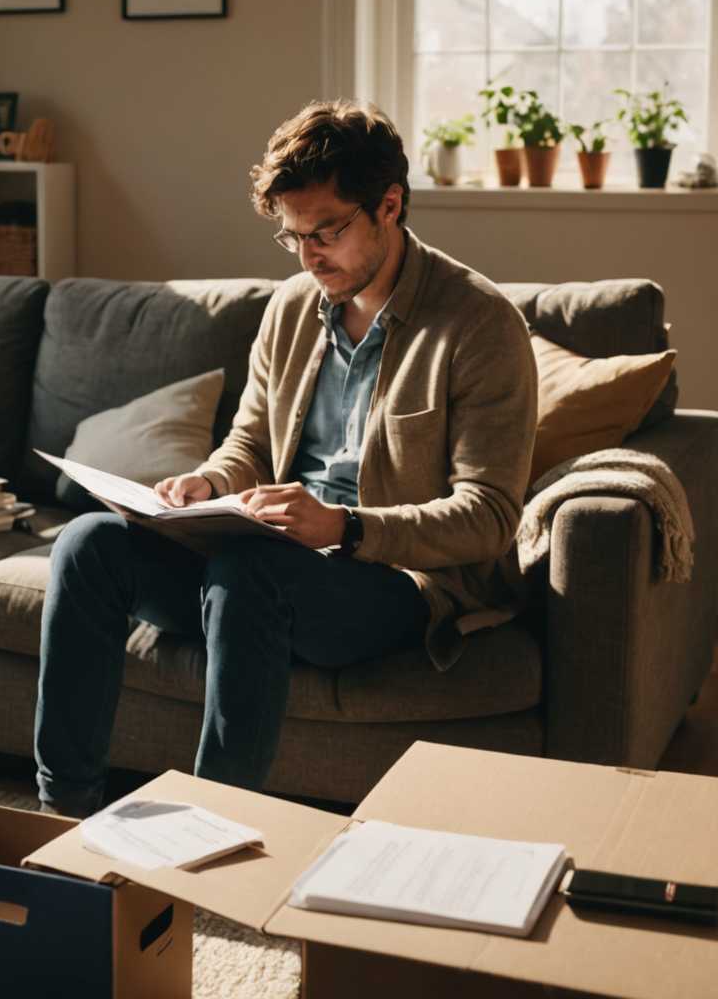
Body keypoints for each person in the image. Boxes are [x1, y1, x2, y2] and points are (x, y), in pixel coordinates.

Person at [33, 99, 538, 816]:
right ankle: (65, 813)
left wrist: (343, 527)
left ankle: (208, 827)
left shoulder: (479, 324)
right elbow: (249, 441)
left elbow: (488, 517)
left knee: (251, 570)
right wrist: (208, 481)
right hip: (269, 559)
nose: (307, 255)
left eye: (325, 231)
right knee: (88, 544)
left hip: (394, 579)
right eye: (291, 235)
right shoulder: (294, 306)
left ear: (390, 205)